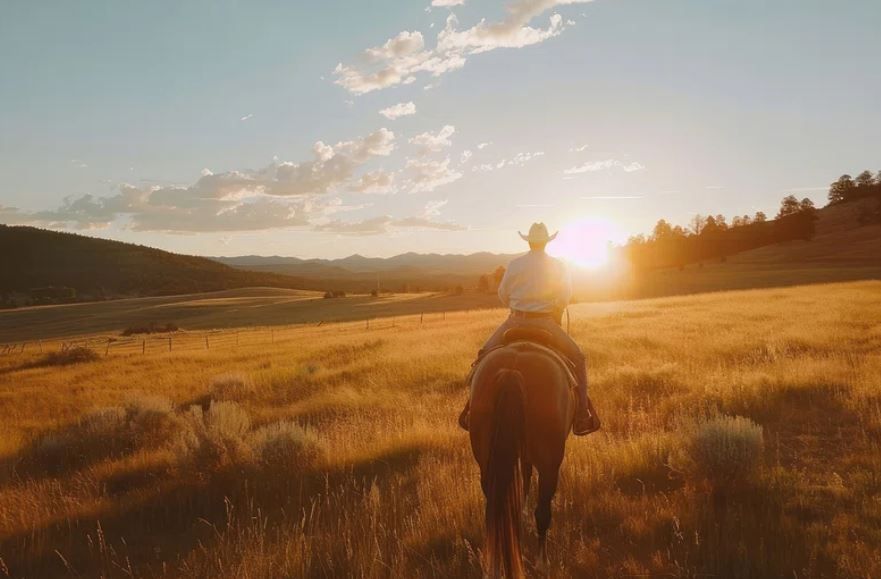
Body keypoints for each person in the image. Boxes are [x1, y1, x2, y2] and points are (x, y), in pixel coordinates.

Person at [459, 222, 600, 436]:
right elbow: (564, 297)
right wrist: (554, 307)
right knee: (578, 358)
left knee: (483, 354)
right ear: (545, 242)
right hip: (546, 322)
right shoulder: (558, 265)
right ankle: (581, 415)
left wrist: (518, 307)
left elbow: (503, 294)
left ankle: (472, 409)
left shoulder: (515, 264)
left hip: (515, 320)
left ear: (529, 241)